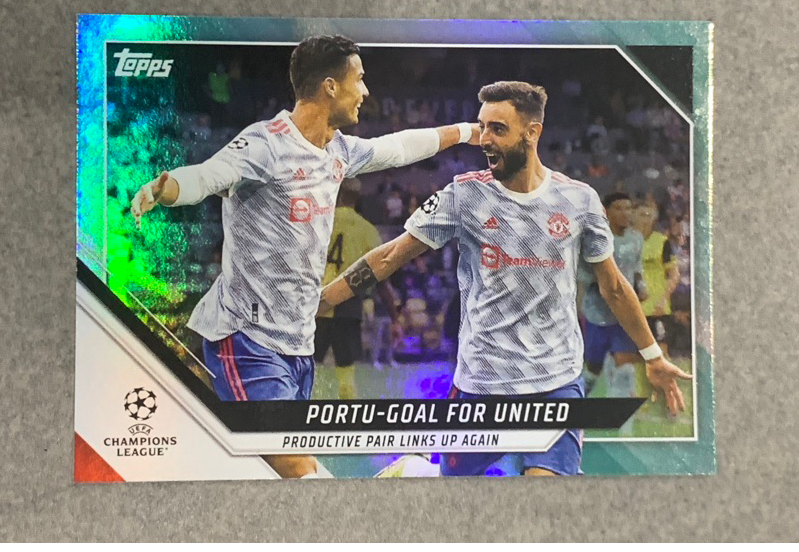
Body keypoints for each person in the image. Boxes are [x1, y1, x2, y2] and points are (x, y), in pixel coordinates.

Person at [130, 35, 479, 478]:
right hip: (246, 340)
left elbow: (399, 147)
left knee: (283, 469)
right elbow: (209, 175)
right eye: (359, 79)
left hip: (299, 346)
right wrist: (166, 189)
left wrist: (467, 132)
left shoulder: (338, 151)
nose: (366, 90)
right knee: (294, 466)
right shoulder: (265, 144)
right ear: (330, 86)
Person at [317, 80, 690, 477]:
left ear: (532, 132)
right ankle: (413, 471)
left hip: (555, 383)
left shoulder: (579, 200)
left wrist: (653, 356)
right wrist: (321, 302)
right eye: (482, 128)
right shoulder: (464, 195)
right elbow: (390, 255)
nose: (485, 140)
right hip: (481, 384)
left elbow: (613, 286)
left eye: (498, 129)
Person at [314, 178, 400, 398]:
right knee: (346, 372)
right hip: (347, 304)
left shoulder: (319, 221)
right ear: (357, 198)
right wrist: (394, 317)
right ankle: (348, 415)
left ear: (337, 194)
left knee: (306, 368)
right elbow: (381, 277)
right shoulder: (367, 230)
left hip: (316, 303)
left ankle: (297, 413)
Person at [578, 193, 646, 432]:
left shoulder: (636, 238)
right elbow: (583, 276)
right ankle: (573, 409)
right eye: (619, 208)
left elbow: (636, 266)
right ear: (606, 212)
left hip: (624, 315)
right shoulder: (596, 239)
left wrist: (641, 285)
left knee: (624, 367)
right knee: (592, 369)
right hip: (597, 315)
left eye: (629, 208)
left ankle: (623, 428)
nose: (625, 213)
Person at [634, 203, 680, 359]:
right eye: (641, 215)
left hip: (656, 307)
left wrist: (663, 299)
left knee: (660, 351)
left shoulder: (662, 242)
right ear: (633, 217)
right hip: (632, 307)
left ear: (654, 219)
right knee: (633, 356)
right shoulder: (626, 242)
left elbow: (674, 275)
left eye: (649, 216)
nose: (645, 220)